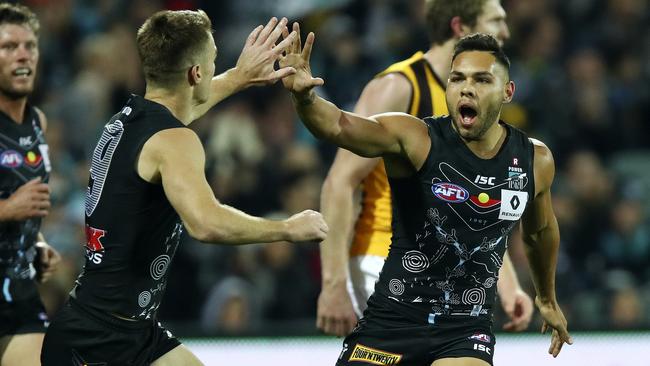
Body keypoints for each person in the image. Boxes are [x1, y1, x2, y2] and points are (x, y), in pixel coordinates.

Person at [41, 11, 327, 366]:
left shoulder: (127, 121)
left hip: (123, 329)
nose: (213, 69)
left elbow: (186, 106)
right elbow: (206, 224)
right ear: (196, 73)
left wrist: (239, 76)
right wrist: (286, 227)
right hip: (99, 341)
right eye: (212, 62)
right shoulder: (174, 141)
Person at [281, 30, 572, 365]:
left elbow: (539, 232)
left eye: (481, 80)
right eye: (457, 78)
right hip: (390, 324)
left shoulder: (534, 160)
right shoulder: (415, 138)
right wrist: (305, 100)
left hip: (465, 330)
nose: (466, 88)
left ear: (507, 92)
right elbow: (338, 126)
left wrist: (547, 299)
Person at [317, 0, 534, 338]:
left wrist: (508, 287)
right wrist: (333, 283)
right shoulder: (399, 86)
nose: (506, 32)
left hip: (447, 268)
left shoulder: (474, 102)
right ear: (461, 27)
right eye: (496, 21)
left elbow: (473, 205)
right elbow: (340, 183)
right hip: (384, 259)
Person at [0, 3, 61, 366]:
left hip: (18, 289)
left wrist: (37, 242)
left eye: (30, 45)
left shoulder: (38, 122)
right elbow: (13, 203)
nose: (23, 55)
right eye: (9, 47)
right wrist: (10, 209)